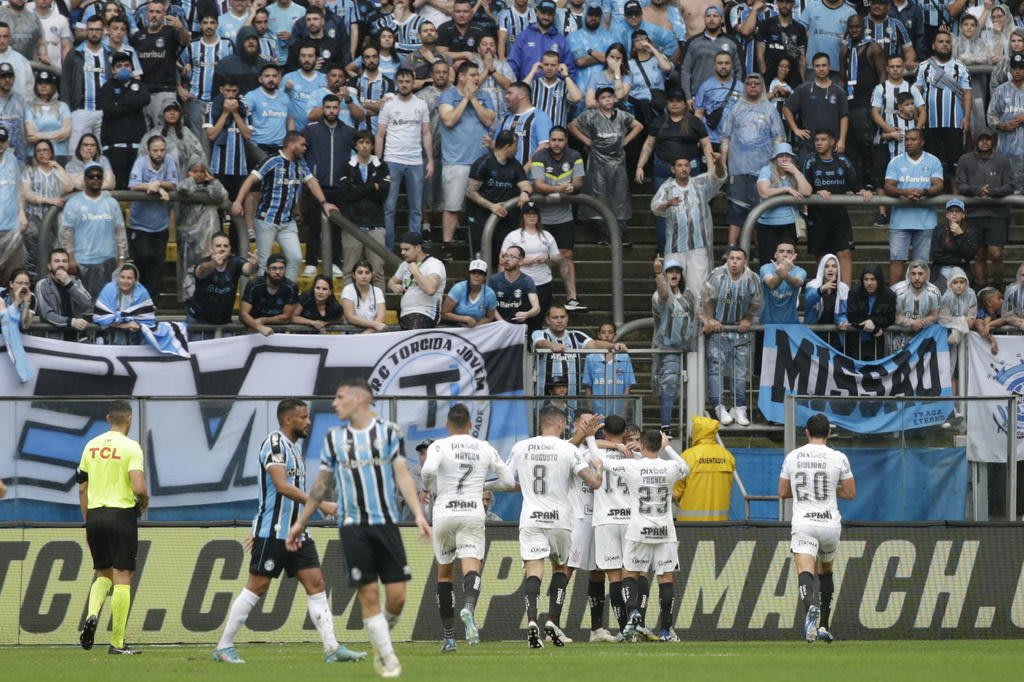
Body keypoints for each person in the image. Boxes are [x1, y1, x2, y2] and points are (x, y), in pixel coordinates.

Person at [286, 378, 431, 679]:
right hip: (352, 526)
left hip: (386, 523)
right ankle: (388, 659)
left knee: (397, 597)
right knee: (369, 596)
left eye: (340, 397)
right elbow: (322, 483)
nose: (334, 404)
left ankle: (381, 639)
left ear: (359, 399)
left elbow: (402, 474)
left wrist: (418, 515)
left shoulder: (388, 432)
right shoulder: (333, 439)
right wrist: (301, 521)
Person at [213, 399, 367, 664]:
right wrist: (322, 504)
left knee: (316, 583)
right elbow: (281, 486)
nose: (308, 422)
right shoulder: (274, 444)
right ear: (288, 420)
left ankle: (332, 648)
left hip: (297, 533)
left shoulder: (295, 449)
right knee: (257, 587)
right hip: (273, 533)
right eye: (303, 417)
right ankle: (224, 647)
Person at [502, 405, 601, 648]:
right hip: (560, 519)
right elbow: (594, 482)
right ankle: (551, 621)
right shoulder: (568, 449)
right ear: (560, 425)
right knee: (560, 568)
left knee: (533, 570)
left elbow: (506, 481)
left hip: (531, 517)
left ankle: (533, 620)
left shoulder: (520, 447)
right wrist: (598, 466)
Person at [420, 403, 515, 652]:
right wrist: (484, 486)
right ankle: (469, 608)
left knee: (444, 575)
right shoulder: (483, 447)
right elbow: (508, 481)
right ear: (471, 425)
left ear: (447, 425)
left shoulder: (439, 445)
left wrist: (426, 488)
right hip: (472, 512)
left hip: (444, 513)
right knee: (472, 567)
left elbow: (428, 469)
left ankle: (449, 637)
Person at [589, 429, 689, 642]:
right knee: (666, 578)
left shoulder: (632, 466)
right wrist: (668, 447)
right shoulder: (670, 466)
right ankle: (665, 630)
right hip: (664, 531)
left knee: (630, 574)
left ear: (642, 446)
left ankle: (633, 611)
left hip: (638, 530)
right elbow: (686, 468)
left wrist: (590, 437)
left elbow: (597, 459)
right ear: (658, 445)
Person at [76, 400, 148, 655]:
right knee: (123, 575)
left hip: (94, 516)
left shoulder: (91, 446)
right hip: (121, 515)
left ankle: (92, 614)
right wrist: (144, 502)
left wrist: (88, 520)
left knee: (102, 573)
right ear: (129, 418)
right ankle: (117, 642)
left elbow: (82, 487)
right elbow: (138, 487)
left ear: (108, 418)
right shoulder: (131, 447)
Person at [778, 412, 856, 643]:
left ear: (807, 432)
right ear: (829, 433)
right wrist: (831, 491)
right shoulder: (839, 457)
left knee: (805, 570)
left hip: (804, 523)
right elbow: (850, 493)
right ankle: (823, 625)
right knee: (826, 571)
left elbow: (782, 492)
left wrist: (805, 493)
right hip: (830, 523)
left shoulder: (793, 457)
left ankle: (810, 609)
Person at [232, 131, 339, 281]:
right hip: (266, 220)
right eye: (302, 145)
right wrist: (237, 201)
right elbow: (250, 179)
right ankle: (262, 298)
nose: (305, 148)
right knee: (264, 263)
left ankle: (288, 294)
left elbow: (311, 182)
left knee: (295, 257)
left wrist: (324, 203)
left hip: (287, 222)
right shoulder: (272, 161)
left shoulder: (300, 163)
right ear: (291, 145)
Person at [568, 86, 643, 247]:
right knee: (599, 194)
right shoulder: (591, 115)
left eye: (610, 97)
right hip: (597, 162)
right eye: (603, 97)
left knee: (620, 195)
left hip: (618, 162)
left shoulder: (622, 115)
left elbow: (639, 126)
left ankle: (621, 233)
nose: (607, 100)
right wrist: (587, 140)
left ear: (615, 99)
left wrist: (626, 141)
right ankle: (604, 233)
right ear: (597, 101)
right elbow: (572, 126)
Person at [437, 60, 496, 260]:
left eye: (478, 75)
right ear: (461, 76)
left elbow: (489, 119)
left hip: (482, 161)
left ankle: (480, 249)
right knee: (452, 206)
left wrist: (474, 99)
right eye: (472, 75)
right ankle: (447, 246)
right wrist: (465, 99)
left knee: (480, 208)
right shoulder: (448, 95)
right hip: (456, 161)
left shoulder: (485, 96)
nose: (477, 78)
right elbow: (449, 120)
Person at [720, 73, 786, 248]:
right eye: (749, 83)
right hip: (738, 169)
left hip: (763, 171)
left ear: (763, 86)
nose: (753, 86)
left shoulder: (770, 110)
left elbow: (778, 139)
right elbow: (725, 137)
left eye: (757, 83)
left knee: (761, 211)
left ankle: (760, 249)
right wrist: (723, 164)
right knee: (736, 209)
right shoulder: (736, 109)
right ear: (745, 86)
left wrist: (776, 168)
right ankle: (731, 249)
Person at [650, 150, 725, 298]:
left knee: (700, 287)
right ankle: (674, 318)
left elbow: (718, 178)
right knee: (672, 287)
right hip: (675, 246)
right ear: (673, 169)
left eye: (686, 165)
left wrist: (718, 164)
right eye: (679, 166)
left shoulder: (699, 183)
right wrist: (667, 203)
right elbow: (655, 207)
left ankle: (700, 318)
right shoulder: (667, 188)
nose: (683, 168)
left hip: (699, 244)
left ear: (690, 168)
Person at [702, 246, 762, 427]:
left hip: (739, 330)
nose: (734, 262)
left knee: (741, 369)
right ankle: (718, 405)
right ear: (727, 260)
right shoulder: (716, 275)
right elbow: (706, 298)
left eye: (738, 258)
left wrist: (747, 319)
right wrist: (710, 318)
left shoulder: (752, 278)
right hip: (718, 329)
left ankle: (739, 406)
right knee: (716, 367)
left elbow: (756, 300)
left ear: (745, 261)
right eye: (731, 258)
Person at [801, 130, 872, 284]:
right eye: (816, 140)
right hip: (818, 217)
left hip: (840, 216)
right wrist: (815, 192)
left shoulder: (843, 161)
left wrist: (862, 190)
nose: (818, 143)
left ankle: (845, 294)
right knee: (821, 256)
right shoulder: (810, 161)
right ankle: (823, 291)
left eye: (823, 139)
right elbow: (803, 186)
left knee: (845, 253)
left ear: (832, 142)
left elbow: (854, 183)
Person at [528, 126, 584, 310]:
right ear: (549, 140)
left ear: (566, 140)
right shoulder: (539, 156)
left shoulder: (574, 155)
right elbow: (538, 186)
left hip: (564, 215)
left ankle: (572, 298)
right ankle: (540, 295)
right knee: (540, 255)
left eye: (560, 140)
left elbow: (578, 183)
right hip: (541, 217)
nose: (556, 144)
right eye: (553, 140)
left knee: (566, 254)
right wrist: (560, 188)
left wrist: (571, 188)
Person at [377, 68, 432, 247]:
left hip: (415, 161)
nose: (404, 85)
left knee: (416, 208)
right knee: (389, 208)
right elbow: (379, 135)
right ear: (396, 82)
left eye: (408, 81)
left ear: (413, 82)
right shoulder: (389, 103)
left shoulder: (421, 104)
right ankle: (389, 247)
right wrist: (378, 163)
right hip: (392, 159)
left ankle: (414, 249)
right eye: (401, 81)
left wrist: (430, 160)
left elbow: (426, 133)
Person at [883, 128, 944, 284]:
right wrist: (904, 192)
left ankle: (922, 299)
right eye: (907, 139)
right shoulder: (895, 161)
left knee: (921, 264)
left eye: (913, 139)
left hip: (925, 221)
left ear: (922, 142)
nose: (909, 142)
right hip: (900, 220)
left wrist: (923, 191)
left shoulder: (933, 161)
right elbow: (888, 187)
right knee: (896, 260)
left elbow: (939, 185)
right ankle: (894, 297)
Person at [59, 162, 127, 299]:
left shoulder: (111, 203)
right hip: (82, 260)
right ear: (85, 179)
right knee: (83, 303)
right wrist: (70, 258)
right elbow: (66, 234)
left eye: (99, 176)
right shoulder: (74, 203)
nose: (95, 179)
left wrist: (121, 258)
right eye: (91, 176)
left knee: (106, 302)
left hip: (108, 260)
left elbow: (120, 233)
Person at [465, 129, 532, 263]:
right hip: (481, 218)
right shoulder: (483, 163)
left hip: (504, 220)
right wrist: (491, 206)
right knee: (480, 259)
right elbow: (470, 192)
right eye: (515, 146)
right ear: (507, 146)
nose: (517, 149)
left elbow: (526, 184)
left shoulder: (515, 164)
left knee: (502, 257)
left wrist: (525, 192)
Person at [915, 30, 972, 180]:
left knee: (955, 163)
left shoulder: (960, 67)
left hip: (954, 122)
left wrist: (966, 117)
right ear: (933, 45)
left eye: (947, 42)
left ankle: (955, 200)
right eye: (941, 42)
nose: (944, 44)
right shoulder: (923, 67)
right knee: (930, 161)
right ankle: (932, 196)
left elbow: (967, 93)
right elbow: (916, 92)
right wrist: (918, 118)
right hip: (930, 122)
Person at [651, 256, 698, 434]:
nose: (674, 274)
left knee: (689, 387)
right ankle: (666, 426)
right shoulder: (658, 295)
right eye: (670, 271)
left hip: (689, 349)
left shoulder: (688, 295)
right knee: (669, 385)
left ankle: (691, 426)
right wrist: (657, 274)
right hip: (668, 349)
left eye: (677, 272)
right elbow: (664, 295)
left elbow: (695, 315)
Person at [128, 135, 178, 300]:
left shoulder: (169, 160)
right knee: (143, 257)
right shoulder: (141, 162)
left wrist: (157, 185)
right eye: (155, 150)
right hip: (140, 223)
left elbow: (173, 183)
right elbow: (133, 185)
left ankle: (152, 301)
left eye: (162, 150)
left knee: (158, 263)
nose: (159, 154)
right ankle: (137, 296)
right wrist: (151, 186)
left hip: (161, 224)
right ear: (148, 151)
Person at [338, 129, 389, 288]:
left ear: (373, 146)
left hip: (376, 224)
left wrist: (359, 189)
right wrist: (372, 186)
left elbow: (383, 194)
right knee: (349, 270)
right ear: (355, 145)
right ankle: (348, 310)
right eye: (361, 142)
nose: (365, 146)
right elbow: (347, 195)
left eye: (368, 142)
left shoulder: (382, 166)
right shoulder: (346, 166)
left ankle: (380, 309)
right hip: (352, 224)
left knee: (378, 271)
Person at [130, 0, 189, 127]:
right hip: (143, 93)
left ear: (164, 15)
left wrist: (181, 28)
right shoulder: (138, 36)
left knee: (166, 132)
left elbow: (185, 41)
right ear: (147, 14)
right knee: (145, 137)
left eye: (158, 12)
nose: (154, 15)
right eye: (151, 12)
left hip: (165, 91)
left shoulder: (171, 32)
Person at [185, 233, 258, 335]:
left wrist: (253, 265)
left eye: (226, 246)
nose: (222, 249)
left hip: (224, 321)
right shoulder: (203, 262)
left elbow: (248, 270)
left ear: (230, 249)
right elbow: (201, 272)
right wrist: (213, 264)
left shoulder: (235, 262)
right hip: (199, 320)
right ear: (211, 249)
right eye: (218, 246)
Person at [499, 201, 559, 322]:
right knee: (516, 319)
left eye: (534, 214)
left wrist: (547, 258)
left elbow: (557, 258)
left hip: (542, 283)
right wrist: (519, 261)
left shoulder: (546, 235)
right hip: (519, 283)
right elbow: (502, 258)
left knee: (538, 320)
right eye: (528, 214)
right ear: (522, 216)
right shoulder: (513, 236)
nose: (531, 216)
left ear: (538, 216)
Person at [21, 139, 73, 279]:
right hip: (34, 220)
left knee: (53, 254)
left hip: (54, 222)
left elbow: (69, 187)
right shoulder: (30, 171)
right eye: (39, 151)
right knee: (33, 256)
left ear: (51, 152)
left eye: (45, 150)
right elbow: (27, 194)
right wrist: (49, 200)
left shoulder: (57, 171)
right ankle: (34, 286)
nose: (42, 153)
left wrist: (58, 167)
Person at [98, 51, 150, 188]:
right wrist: (133, 101)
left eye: (127, 65)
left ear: (132, 68)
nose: (123, 68)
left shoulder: (140, 85)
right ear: (113, 69)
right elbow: (109, 110)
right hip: (115, 149)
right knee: (118, 189)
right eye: (119, 66)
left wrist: (119, 102)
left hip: (136, 148)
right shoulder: (107, 87)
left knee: (136, 188)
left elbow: (145, 99)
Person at [783, 53, 849, 158]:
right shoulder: (803, 89)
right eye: (817, 66)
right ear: (813, 68)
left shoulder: (839, 91)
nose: (821, 69)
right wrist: (796, 129)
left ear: (829, 67)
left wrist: (842, 140)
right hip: (809, 145)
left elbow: (844, 117)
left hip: (833, 145)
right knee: (806, 174)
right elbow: (787, 108)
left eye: (824, 65)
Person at [754, 144, 811, 267]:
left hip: (789, 223)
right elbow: (763, 192)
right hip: (767, 224)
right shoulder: (767, 170)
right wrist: (786, 189)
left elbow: (807, 192)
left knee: (787, 263)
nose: (784, 159)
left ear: (792, 159)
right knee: (768, 262)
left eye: (788, 156)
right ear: (775, 159)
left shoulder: (795, 172)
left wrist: (796, 171)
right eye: (780, 156)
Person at [672, 415, 735, 522]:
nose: (691, 433)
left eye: (693, 430)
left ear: (698, 432)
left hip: (690, 524)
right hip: (720, 523)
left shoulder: (688, 456)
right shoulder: (728, 456)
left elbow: (676, 492)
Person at [678, 5, 741, 105]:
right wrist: (687, 97)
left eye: (715, 16)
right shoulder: (693, 42)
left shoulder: (732, 42)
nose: (711, 19)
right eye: (708, 16)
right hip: (698, 98)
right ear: (704, 19)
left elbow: (740, 70)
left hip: (727, 98)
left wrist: (737, 95)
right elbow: (685, 70)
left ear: (721, 19)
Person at [388, 230, 447, 329]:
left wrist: (415, 272)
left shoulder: (434, 264)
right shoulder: (405, 264)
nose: (402, 252)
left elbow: (430, 289)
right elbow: (391, 281)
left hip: (425, 313)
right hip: (404, 314)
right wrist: (393, 286)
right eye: (401, 249)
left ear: (418, 248)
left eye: (406, 249)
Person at [35, 248, 93, 340]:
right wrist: (71, 322)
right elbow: (47, 315)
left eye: (64, 261)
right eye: (57, 261)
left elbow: (87, 305)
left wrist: (69, 284)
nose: (61, 264)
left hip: (76, 339)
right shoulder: (42, 285)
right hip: (54, 339)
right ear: (49, 266)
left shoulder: (76, 281)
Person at [582, 321, 636, 420]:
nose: (606, 335)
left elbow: (627, 387)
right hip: (597, 409)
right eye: (603, 332)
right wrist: (590, 411)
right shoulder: (591, 358)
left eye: (610, 332)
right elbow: (588, 387)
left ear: (615, 335)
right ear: (598, 335)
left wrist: (624, 410)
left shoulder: (624, 357)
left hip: (617, 408)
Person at [239, 253, 300, 336]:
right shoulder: (254, 284)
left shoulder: (291, 287)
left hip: (278, 331)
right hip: (252, 329)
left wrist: (263, 320)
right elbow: (243, 314)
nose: (278, 272)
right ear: (267, 270)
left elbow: (286, 317)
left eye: (281, 268)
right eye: (274, 268)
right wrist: (259, 326)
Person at [845, 264, 897, 360]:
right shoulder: (854, 292)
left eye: (873, 279)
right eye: (866, 279)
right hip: (855, 342)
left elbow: (890, 318)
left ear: (879, 280)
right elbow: (852, 317)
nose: (869, 283)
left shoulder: (889, 295)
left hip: (877, 342)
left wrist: (873, 322)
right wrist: (875, 328)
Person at [890, 260, 942, 352]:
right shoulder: (897, 291)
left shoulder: (934, 292)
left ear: (926, 275)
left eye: (920, 274)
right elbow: (893, 315)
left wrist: (922, 322)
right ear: (908, 275)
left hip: (924, 334)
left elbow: (935, 314)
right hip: (899, 335)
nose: (917, 278)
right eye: (913, 274)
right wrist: (911, 322)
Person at [523, 50, 582, 130]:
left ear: (558, 66)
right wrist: (533, 72)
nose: (549, 68)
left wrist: (566, 75)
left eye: (553, 65)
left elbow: (577, 98)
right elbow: (519, 94)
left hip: (556, 137)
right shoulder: (534, 84)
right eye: (546, 64)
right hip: (535, 133)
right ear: (541, 65)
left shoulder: (565, 86)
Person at [140, 102, 205, 173]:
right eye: (168, 110)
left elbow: (199, 153)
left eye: (175, 110)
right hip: (159, 177)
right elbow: (142, 157)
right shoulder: (153, 134)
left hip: (186, 178)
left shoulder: (186, 132)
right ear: (162, 113)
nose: (172, 113)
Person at [930, 199, 979, 291]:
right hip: (942, 268)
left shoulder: (970, 231)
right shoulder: (939, 230)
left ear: (963, 215)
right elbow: (935, 255)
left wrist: (960, 235)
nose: (954, 214)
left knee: (961, 289)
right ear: (947, 215)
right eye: (951, 211)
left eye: (958, 211)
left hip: (962, 269)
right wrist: (960, 259)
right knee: (943, 290)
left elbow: (969, 255)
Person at [25, 71, 71, 164]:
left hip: (59, 153)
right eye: (40, 83)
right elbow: (31, 135)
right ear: (36, 86)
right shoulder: (29, 107)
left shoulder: (62, 106)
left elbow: (67, 131)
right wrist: (56, 134)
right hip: (36, 155)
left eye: (47, 83)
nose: (43, 86)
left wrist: (41, 135)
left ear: (53, 86)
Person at [488, 245, 541, 325]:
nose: (506, 259)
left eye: (511, 256)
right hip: (497, 325)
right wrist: (502, 322)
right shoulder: (494, 280)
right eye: (505, 256)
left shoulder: (527, 280)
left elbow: (536, 308)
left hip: (518, 326)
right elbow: (490, 305)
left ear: (521, 261)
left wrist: (527, 314)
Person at [760, 240, 807, 325]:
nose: (785, 255)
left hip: (791, 323)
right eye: (781, 251)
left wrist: (783, 272)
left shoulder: (800, 271)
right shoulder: (765, 268)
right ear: (775, 255)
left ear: (794, 256)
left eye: (789, 252)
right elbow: (772, 284)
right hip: (767, 323)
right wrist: (784, 272)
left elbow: (797, 283)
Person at [442, 259, 499, 327]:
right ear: (469, 274)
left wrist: (475, 325)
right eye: (473, 272)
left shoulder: (490, 293)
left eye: (480, 273)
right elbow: (444, 313)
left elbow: (490, 317)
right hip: (455, 327)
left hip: (477, 329)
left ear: (485, 277)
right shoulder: (458, 288)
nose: (476, 275)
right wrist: (465, 319)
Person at [341, 260, 389, 333]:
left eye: (367, 272)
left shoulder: (377, 291)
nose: (364, 276)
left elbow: (381, 317)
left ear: (372, 275)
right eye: (360, 273)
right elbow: (350, 317)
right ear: (354, 275)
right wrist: (375, 325)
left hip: (372, 334)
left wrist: (367, 333)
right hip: (351, 334)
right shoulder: (348, 289)